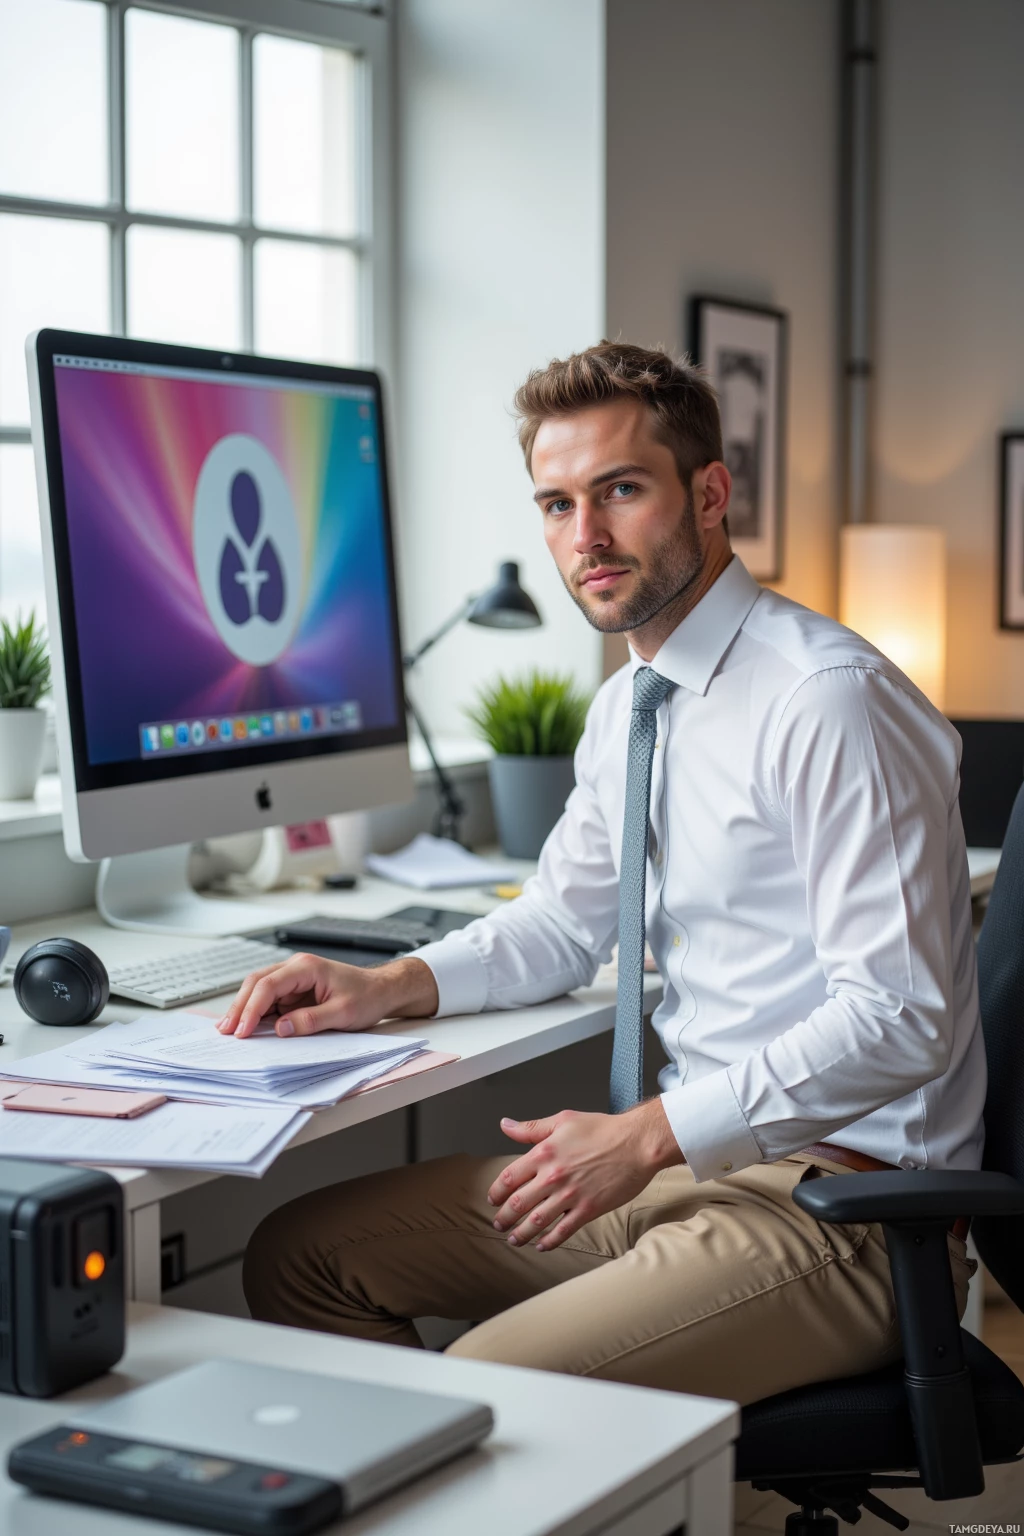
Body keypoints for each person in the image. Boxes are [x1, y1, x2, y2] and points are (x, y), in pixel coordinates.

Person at [224, 341, 983, 1406]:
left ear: (709, 493)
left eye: (620, 491)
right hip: (686, 1172)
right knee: (300, 1254)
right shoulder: (630, 705)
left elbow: (903, 1017)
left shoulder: (826, 701)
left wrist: (648, 1136)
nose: (583, 537)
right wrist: (387, 985)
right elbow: (563, 924)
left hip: (840, 1210)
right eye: (555, 503)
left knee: (482, 1395)